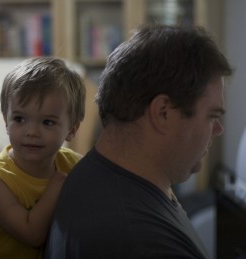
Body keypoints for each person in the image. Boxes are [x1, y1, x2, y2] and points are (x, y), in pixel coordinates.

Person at [45, 25, 233, 259]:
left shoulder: (93, 173)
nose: (218, 129)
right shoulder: (142, 240)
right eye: (211, 116)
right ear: (163, 113)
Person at [0, 56, 86, 259]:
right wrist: (56, 186)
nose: (31, 132)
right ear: (6, 121)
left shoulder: (73, 163)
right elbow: (32, 234)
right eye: (20, 119)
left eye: (47, 122)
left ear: (71, 130)